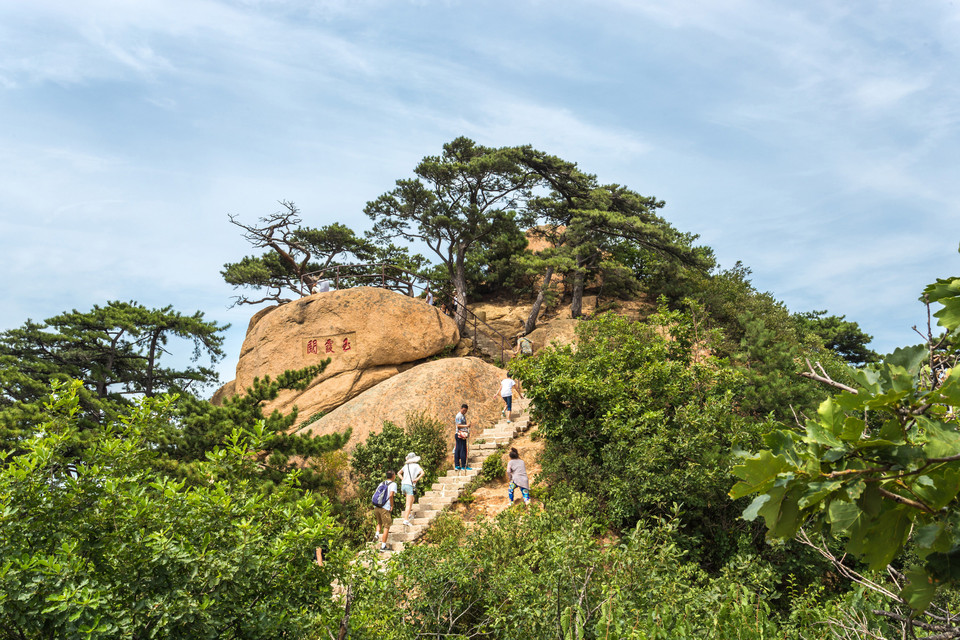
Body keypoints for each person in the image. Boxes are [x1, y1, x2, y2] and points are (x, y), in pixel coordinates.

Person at [397, 452, 425, 526]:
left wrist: (403, 479)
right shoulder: (416, 465)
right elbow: (422, 473)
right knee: (408, 504)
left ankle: (408, 514)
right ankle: (406, 520)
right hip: (409, 485)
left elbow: (398, 473)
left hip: (403, 485)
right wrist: (416, 479)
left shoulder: (406, 466)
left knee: (412, 499)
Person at [372, 470, 397, 552]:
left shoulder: (382, 483)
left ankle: (377, 534)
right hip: (384, 507)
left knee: (379, 522)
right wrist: (391, 505)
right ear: (393, 475)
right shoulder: (393, 484)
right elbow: (391, 495)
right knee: (386, 526)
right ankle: (383, 546)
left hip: (376, 506)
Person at [454, 404, 472, 471]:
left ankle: (457, 465)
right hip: (460, 435)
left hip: (461, 434)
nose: (464, 412)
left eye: (466, 411)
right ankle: (463, 465)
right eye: (464, 410)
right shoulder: (459, 416)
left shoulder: (462, 416)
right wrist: (466, 426)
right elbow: (458, 425)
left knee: (458, 450)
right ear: (461, 408)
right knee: (462, 450)